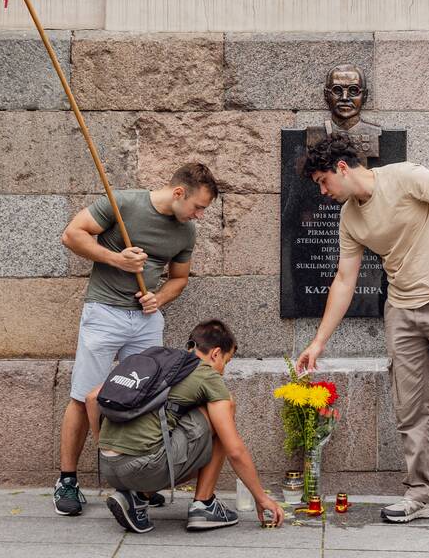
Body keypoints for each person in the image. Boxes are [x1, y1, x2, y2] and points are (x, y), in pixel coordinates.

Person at [295, 136, 429, 532]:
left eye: (324, 181)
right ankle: (421, 494)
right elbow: (344, 280)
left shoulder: (406, 177)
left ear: (342, 168)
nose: (323, 191)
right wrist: (317, 342)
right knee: (409, 409)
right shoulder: (350, 217)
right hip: (401, 310)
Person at [53, 163, 218, 517]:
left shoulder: (186, 232)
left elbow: (179, 279)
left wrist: (159, 299)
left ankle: (137, 484)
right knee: (85, 396)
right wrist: (117, 258)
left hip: (145, 320)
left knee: (146, 398)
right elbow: (72, 235)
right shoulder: (124, 204)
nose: (200, 216)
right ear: (178, 193)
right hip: (104, 313)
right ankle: (67, 480)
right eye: (198, 207)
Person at [87, 320, 285, 534]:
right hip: (144, 468)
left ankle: (137, 497)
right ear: (216, 354)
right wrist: (261, 497)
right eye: (226, 362)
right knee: (223, 412)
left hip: (108, 467)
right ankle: (204, 505)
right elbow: (234, 450)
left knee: (178, 422)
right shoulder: (206, 374)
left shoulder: (160, 361)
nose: (223, 371)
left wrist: (103, 446)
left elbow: (91, 398)